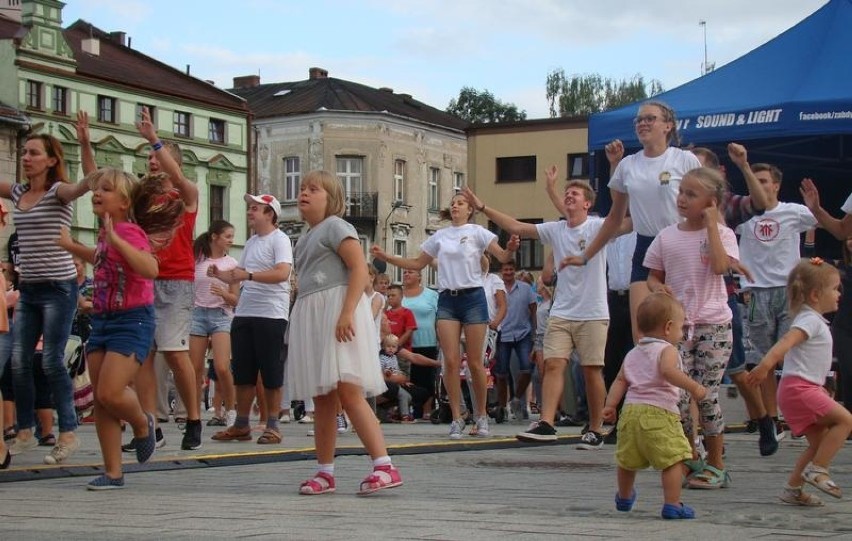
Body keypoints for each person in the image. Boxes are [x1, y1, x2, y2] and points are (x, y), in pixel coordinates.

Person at [464, 173, 628, 449]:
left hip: (593, 311)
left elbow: (625, 222)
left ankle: (597, 428)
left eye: (575, 194)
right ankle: (547, 423)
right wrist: (482, 207)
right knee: (553, 364)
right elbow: (516, 226)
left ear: (587, 204)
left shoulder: (598, 227)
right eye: (566, 193)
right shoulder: (556, 229)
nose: (569, 196)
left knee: (591, 371)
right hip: (562, 311)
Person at [57, 167, 183, 489]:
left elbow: (150, 268)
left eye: (107, 190)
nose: (97, 193)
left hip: (132, 319)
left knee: (110, 392)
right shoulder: (108, 232)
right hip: (102, 320)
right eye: (97, 189)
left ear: (125, 202)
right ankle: (113, 472)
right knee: (102, 402)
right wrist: (71, 245)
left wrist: (116, 240)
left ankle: (143, 424)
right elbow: (100, 257)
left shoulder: (129, 232)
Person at [288, 170, 402, 495]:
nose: (304, 193)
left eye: (313, 189)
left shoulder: (337, 226)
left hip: (338, 313)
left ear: (331, 198)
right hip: (314, 314)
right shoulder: (306, 237)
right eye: (302, 188)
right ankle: (325, 471)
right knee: (323, 397)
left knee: (348, 390)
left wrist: (347, 311)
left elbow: (359, 269)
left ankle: (384, 465)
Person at [373, 193, 518, 439]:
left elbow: (503, 257)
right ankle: (456, 417)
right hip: (448, 299)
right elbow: (418, 263)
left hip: (473, 298)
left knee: (474, 363)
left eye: (460, 203)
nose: (455, 206)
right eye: (453, 203)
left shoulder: (478, 232)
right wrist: (387, 257)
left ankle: (481, 416)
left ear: (470, 210)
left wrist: (511, 248)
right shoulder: (440, 236)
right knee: (450, 361)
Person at [2, 112, 94, 464]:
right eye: (24, 152)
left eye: (34, 153)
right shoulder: (18, 191)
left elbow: (88, 182)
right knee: (19, 361)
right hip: (30, 289)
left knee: (53, 362)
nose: (26, 158)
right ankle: (25, 430)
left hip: (58, 288)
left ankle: (68, 433)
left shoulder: (59, 192)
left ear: (52, 160)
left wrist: (84, 142)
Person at [644, 167, 739, 489]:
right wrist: (657, 287)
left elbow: (720, 267)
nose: (682, 199)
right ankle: (689, 457)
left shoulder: (723, 235)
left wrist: (712, 224)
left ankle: (717, 464)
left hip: (714, 325)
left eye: (691, 194)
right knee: (680, 397)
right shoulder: (666, 236)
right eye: (681, 192)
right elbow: (653, 274)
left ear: (711, 201)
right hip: (678, 328)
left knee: (706, 395)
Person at [124, 106, 203, 452]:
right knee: (143, 354)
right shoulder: (142, 198)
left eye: (160, 158)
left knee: (173, 352)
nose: (153, 161)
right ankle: (149, 425)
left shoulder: (185, 195)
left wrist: (155, 139)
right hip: (145, 280)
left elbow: (176, 174)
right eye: (150, 157)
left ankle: (194, 419)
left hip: (176, 281)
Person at [747, 258, 852, 505]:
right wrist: (764, 367)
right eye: (835, 289)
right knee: (846, 420)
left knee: (819, 442)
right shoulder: (809, 320)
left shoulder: (814, 319)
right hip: (800, 389)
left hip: (802, 389)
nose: (839, 294)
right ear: (816, 295)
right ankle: (818, 470)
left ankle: (793, 489)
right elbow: (785, 343)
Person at [604, 293, 707, 519]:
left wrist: (610, 405)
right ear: (668, 327)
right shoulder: (666, 350)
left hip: (630, 413)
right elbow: (669, 372)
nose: (682, 333)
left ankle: (624, 496)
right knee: (673, 459)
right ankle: (672, 504)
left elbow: (620, 380)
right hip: (660, 413)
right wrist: (694, 388)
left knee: (627, 460)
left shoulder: (633, 352)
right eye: (681, 328)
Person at [738, 163, 818, 442]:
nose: (759, 185)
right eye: (755, 180)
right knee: (764, 360)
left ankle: (802, 415)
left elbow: (820, 221)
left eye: (764, 180)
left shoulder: (794, 211)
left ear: (776, 185)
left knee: (796, 355)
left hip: (789, 290)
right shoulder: (744, 215)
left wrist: (814, 205)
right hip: (757, 292)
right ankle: (772, 420)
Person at [209, 194, 292, 446]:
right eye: (250, 208)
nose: (250, 212)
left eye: (255, 208)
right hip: (244, 312)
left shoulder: (280, 239)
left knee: (271, 372)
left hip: (271, 313)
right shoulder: (252, 241)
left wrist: (250, 275)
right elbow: (238, 276)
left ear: (270, 214)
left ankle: (273, 425)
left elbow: (282, 272)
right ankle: (241, 424)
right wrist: (220, 274)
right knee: (243, 373)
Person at [190, 220, 239, 428]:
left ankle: (231, 409)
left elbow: (236, 300)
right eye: (228, 236)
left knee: (221, 366)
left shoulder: (232, 264)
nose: (231, 240)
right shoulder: (197, 260)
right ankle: (193, 415)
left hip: (221, 315)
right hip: (198, 315)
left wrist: (224, 293)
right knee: (194, 368)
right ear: (214, 237)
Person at [493, 260, 536, 423]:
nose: (508, 272)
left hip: (522, 333)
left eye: (511, 269)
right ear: (501, 272)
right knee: (502, 373)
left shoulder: (525, 288)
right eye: (505, 270)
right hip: (503, 333)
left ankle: (517, 398)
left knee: (527, 368)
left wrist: (534, 332)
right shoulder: (497, 288)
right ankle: (502, 407)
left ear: (515, 271)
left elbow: (533, 310)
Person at [400, 268, 439, 419]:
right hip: (405, 342)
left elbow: (439, 319)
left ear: (419, 276)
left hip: (427, 340)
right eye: (404, 272)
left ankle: (427, 409)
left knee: (427, 376)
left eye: (410, 272)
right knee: (410, 377)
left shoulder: (431, 295)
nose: (406, 274)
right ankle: (410, 409)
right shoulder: (398, 294)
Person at [385, 285, 416, 351]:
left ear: (401, 297)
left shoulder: (407, 312)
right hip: (387, 351)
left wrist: (396, 346)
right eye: (388, 296)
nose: (390, 298)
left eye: (393, 295)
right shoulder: (385, 314)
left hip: (402, 350)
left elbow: (409, 332)